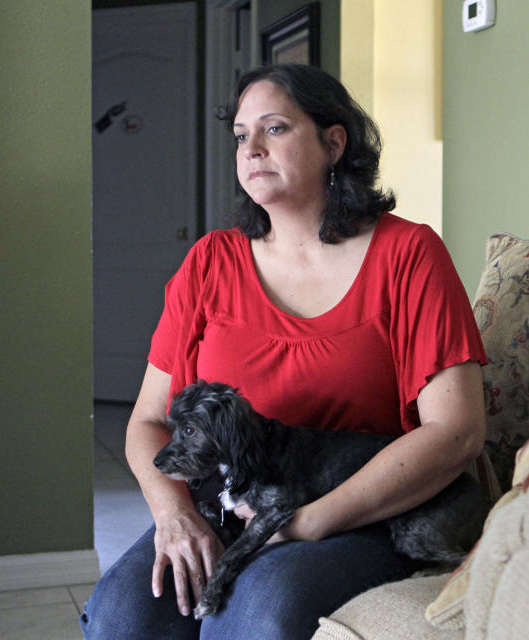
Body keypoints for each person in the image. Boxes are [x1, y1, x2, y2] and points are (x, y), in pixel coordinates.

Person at [80, 64, 488, 640]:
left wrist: (308, 522)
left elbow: (457, 432)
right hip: (227, 503)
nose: (251, 149)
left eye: (274, 129)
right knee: (122, 618)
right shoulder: (209, 261)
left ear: (333, 141)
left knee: (257, 608)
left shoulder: (409, 254)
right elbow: (148, 422)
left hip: (361, 514)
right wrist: (175, 517)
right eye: (241, 135)